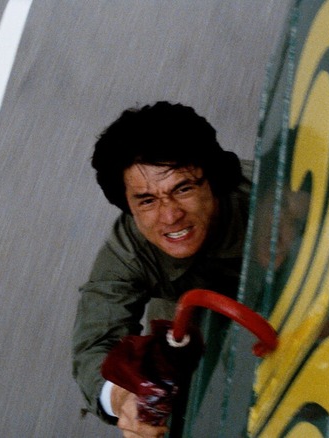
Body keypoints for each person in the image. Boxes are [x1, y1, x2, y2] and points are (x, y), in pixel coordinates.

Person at [72, 101, 250, 437]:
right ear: (128, 206)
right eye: (147, 200)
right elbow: (93, 345)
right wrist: (124, 397)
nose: (169, 217)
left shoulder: (271, 196)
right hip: (189, 318)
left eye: (182, 189)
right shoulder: (126, 253)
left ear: (212, 180)